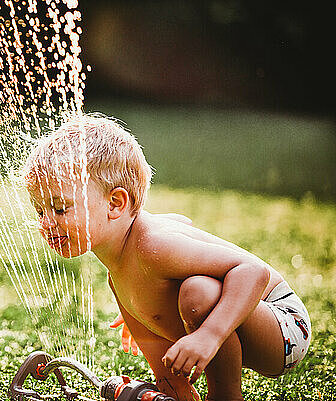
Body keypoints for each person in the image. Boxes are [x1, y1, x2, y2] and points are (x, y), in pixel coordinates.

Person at [21, 113, 311, 401]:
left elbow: (253, 271)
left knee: (198, 292)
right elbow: (148, 339)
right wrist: (170, 381)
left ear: (115, 204)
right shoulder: (117, 268)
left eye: (59, 209)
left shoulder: (153, 245)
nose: (45, 223)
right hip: (248, 322)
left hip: (284, 326)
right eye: (39, 211)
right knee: (188, 295)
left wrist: (208, 334)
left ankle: (225, 395)